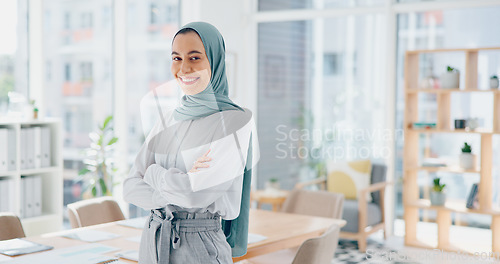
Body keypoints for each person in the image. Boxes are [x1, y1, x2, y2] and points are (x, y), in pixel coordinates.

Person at [123, 21, 255, 264]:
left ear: (214, 61)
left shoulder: (235, 121)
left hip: (200, 244)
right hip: (154, 237)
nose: (183, 68)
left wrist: (153, 173)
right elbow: (130, 187)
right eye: (176, 58)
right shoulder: (168, 118)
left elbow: (196, 196)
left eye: (194, 58)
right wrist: (179, 188)